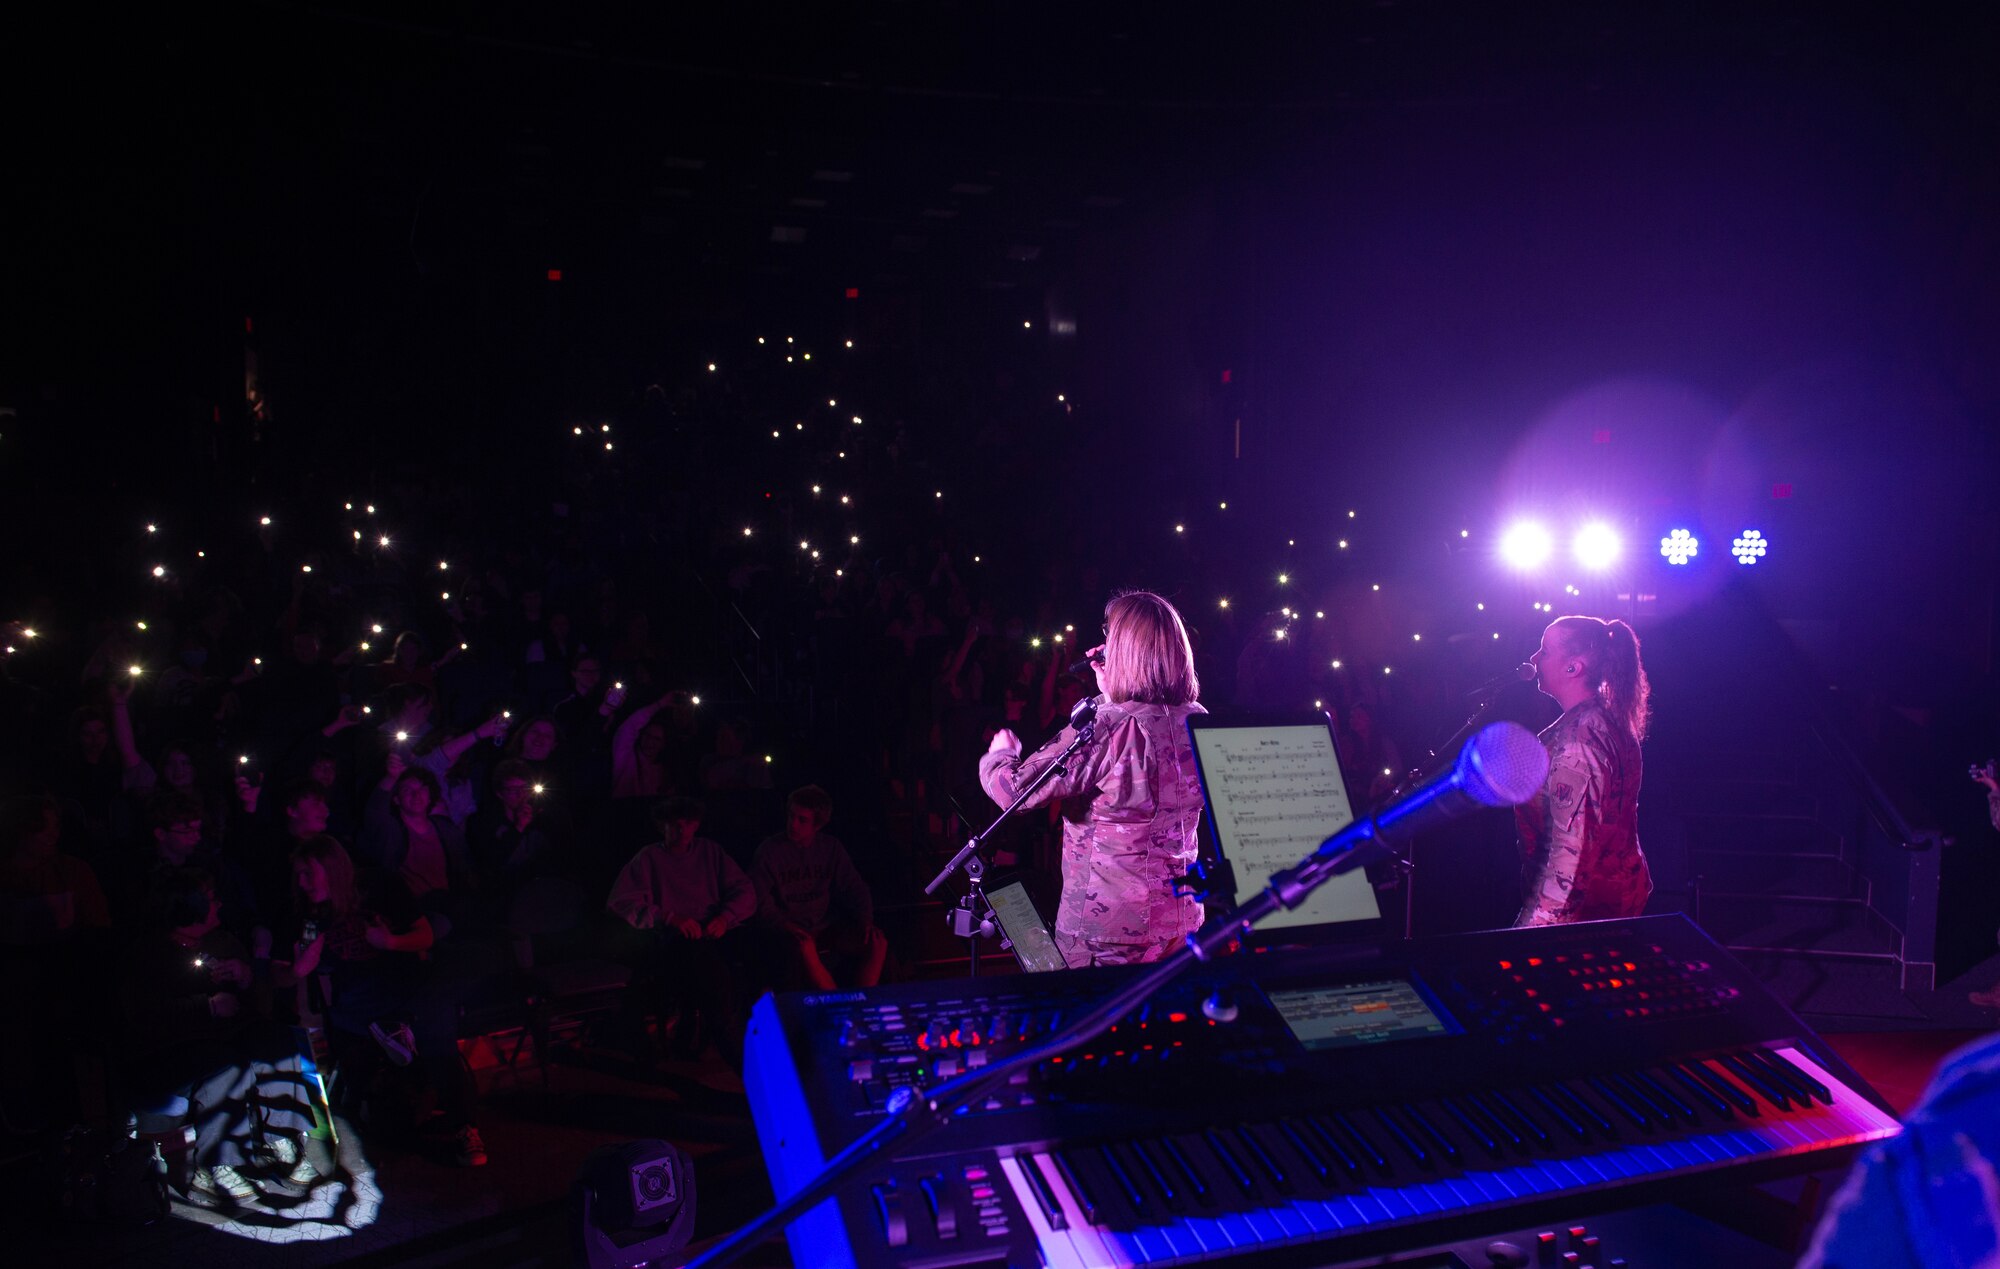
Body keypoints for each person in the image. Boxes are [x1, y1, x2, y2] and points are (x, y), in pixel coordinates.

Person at [979, 590, 1208, 969]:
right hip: (1178, 925)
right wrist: (1111, 691)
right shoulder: (1198, 719)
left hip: (1108, 934)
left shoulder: (1108, 727)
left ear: (1127, 651)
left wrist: (999, 753)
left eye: (1111, 636)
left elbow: (1014, 792)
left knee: (1096, 1024)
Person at [1513, 615, 1652, 926]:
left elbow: (1570, 859)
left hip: (1586, 915)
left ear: (1573, 667)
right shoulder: (1609, 722)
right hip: (1613, 901)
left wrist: (1531, 934)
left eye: (1544, 651)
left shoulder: (1578, 742)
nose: (1534, 658)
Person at [607, 797, 757, 1062]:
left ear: (696, 825)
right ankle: (732, 1046)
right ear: (662, 826)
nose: (681, 830)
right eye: (674, 824)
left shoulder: (710, 852)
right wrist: (669, 917)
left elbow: (744, 890)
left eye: (687, 824)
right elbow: (621, 901)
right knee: (704, 967)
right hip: (672, 938)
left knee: (767, 948)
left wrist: (725, 918)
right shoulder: (649, 857)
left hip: (715, 931)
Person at [750, 785, 885, 990]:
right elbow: (759, 900)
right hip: (790, 928)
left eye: (802, 820)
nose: (793, 824)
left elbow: (854, 887)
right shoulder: (770, 851)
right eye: (791, 816)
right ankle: (836, 1006)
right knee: (805, 948)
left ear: (817, 825)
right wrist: (784, 925)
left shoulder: (830, 848)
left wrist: (865, 919)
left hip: (826, 926)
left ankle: (862, 1004)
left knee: (877, 942)